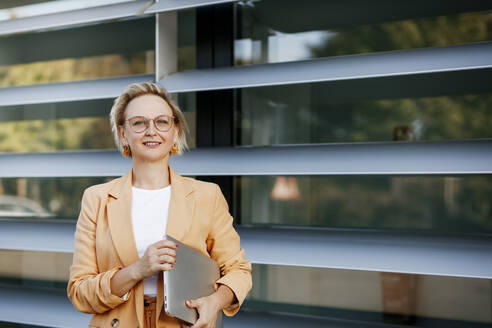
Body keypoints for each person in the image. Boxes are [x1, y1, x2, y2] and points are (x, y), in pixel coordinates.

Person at [67, 82, 252, 328]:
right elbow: (79, 292)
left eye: (162, 122)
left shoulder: (207, 196)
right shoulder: (97, 199)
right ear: (123, 133)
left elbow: (238, 271)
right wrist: (137, 270)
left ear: (175, 130)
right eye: (139, 123)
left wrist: (215, 302)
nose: (151, 131)